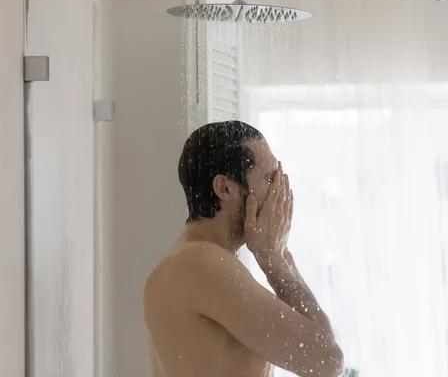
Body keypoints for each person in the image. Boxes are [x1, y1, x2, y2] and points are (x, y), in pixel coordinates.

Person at [143, 121, 344, 377]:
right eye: (271, 178)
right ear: (225, 188)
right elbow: (325, 361)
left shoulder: (193, 259)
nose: (280, 191)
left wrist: (279, 254)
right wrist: (273, 260)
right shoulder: (201, 263)